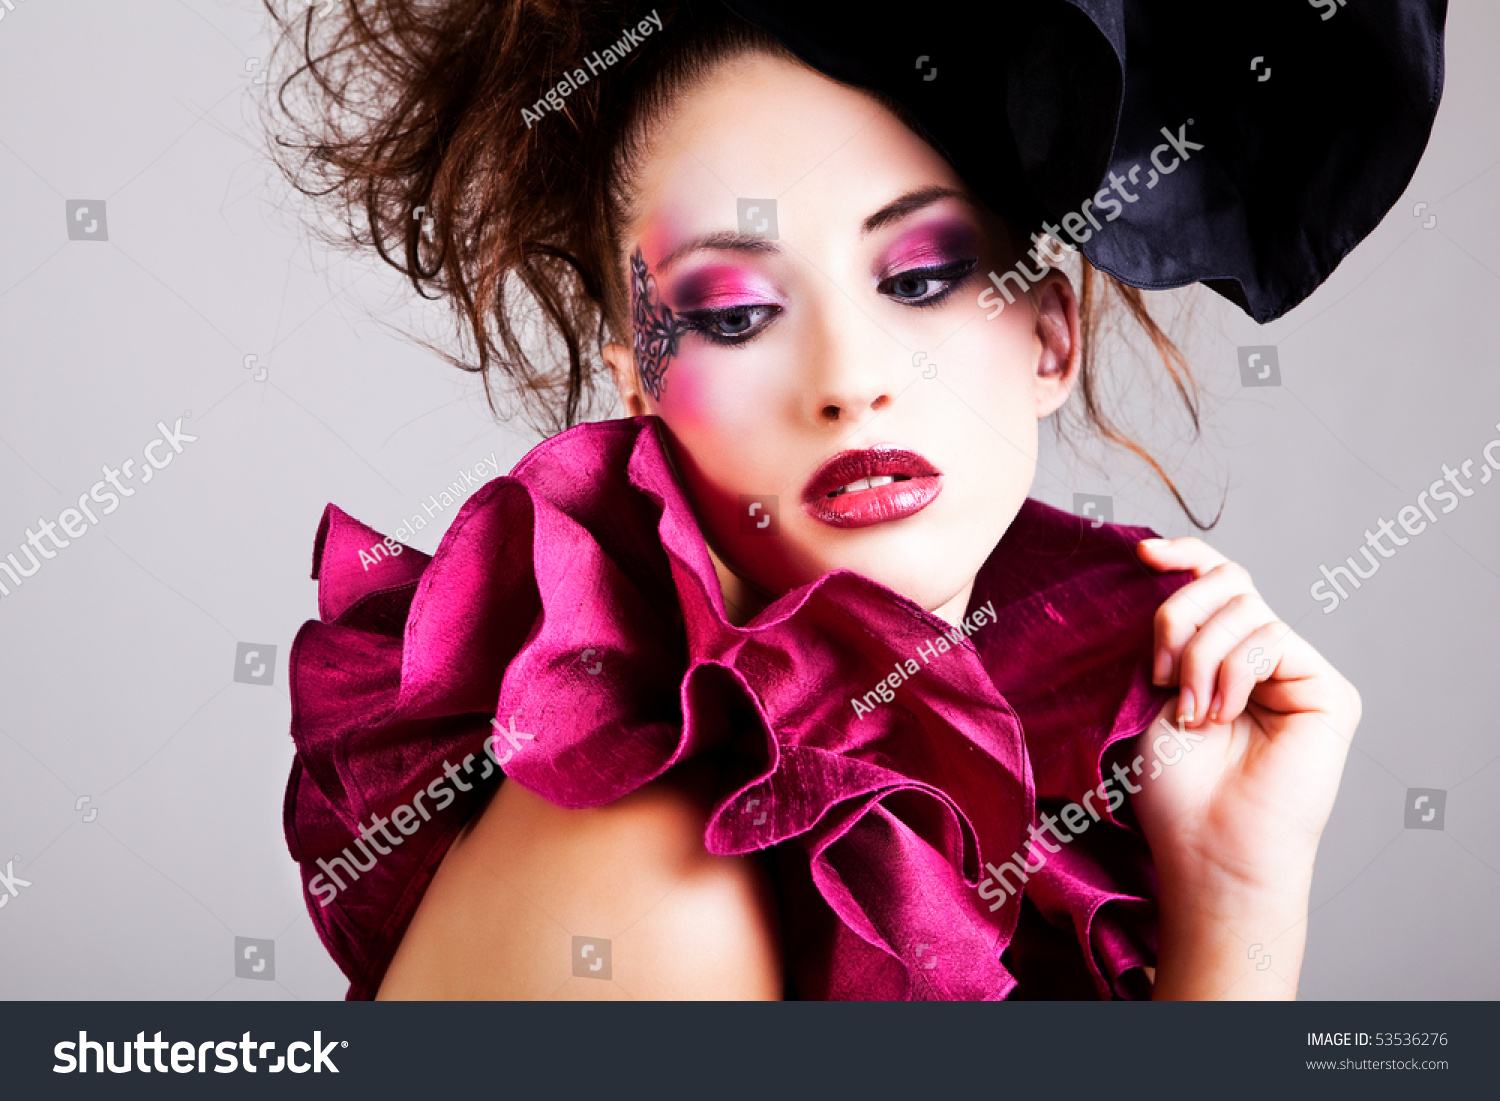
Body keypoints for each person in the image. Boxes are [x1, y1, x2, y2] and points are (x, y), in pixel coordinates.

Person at [265, 0, 1442, 999]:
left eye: (923, 278)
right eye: (732, 312)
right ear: (640, 371)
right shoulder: (637, 856)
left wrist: (1236, 911)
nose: (850, 381)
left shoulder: (1066, 772)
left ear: (1049, 335)